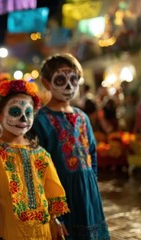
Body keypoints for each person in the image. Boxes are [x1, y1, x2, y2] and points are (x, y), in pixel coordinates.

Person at [0, 78, 69, 240]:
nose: (24, 119)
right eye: (15, 112)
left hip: (41, 231)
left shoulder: (40, 154)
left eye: (28, 113)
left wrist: (54, 221)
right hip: (8, 231)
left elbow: (51, 193)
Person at [32, 53, 110, 240]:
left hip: (88, 193)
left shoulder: (82, 117)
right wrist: (52, 213)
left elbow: (92, 153)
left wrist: (91, 184)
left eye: (74, 79)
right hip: (61, 195)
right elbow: (38, 167)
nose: (69, 85)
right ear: (46, 82)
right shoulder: (40, 120)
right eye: (60, 79)